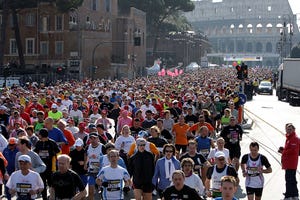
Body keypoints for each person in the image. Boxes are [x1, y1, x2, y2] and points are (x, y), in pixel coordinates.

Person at [33, 128, 61, 200]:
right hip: (41, 167)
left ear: (42, 135)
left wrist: (52, 154)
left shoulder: (52, 143)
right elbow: (35, 152)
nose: (38, 135)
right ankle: (44, 198)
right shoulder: (38, 143)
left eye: (39, 134)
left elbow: (58, 151)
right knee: (42, 184)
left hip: (51, 167)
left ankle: (52, 197)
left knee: (52, 184)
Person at [278, 123, 299, 200]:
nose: (288, 131)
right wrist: (283, 150)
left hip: (291, 163)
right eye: (287, 129)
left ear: (294, 130)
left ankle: (289, 196)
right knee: (292, 179)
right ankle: (294, 194)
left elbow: (293, 150)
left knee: (289, 179)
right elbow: (290, 149)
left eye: (290, 129)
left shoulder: (294, 138)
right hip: (289, 162)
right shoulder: (289, 138)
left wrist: (283, 151)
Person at [84, 132, 104, 200]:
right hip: (91, 171)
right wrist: (85, 164)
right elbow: (86, 155)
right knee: (90, 191)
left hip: (101, 171)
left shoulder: (102, 147)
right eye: (91, 138)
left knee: (103, 191)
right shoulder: (88, 147)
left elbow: (106, 158)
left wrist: (101, 164)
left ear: (98, 138)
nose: (93, 140)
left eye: (94, 138)